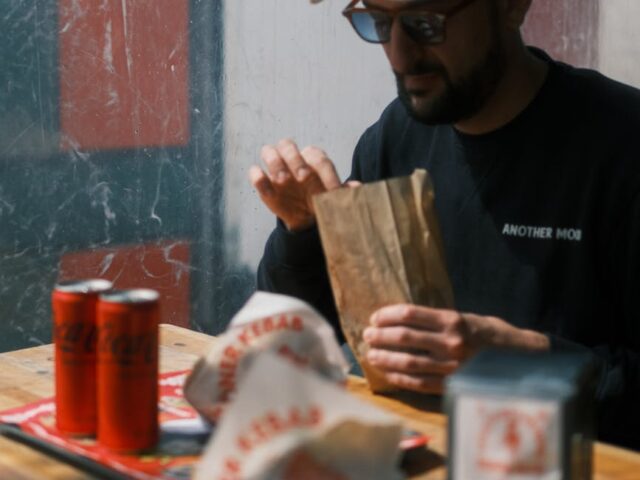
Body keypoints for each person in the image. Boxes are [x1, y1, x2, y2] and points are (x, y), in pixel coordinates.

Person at [249, 0, 640, 450]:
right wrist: (302, 232)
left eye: (424, 23)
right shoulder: (394, 137)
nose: (399, 55)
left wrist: (525, 362)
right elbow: (295, 338)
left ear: (512, 7)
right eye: (380, 21)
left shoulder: (624, 148)